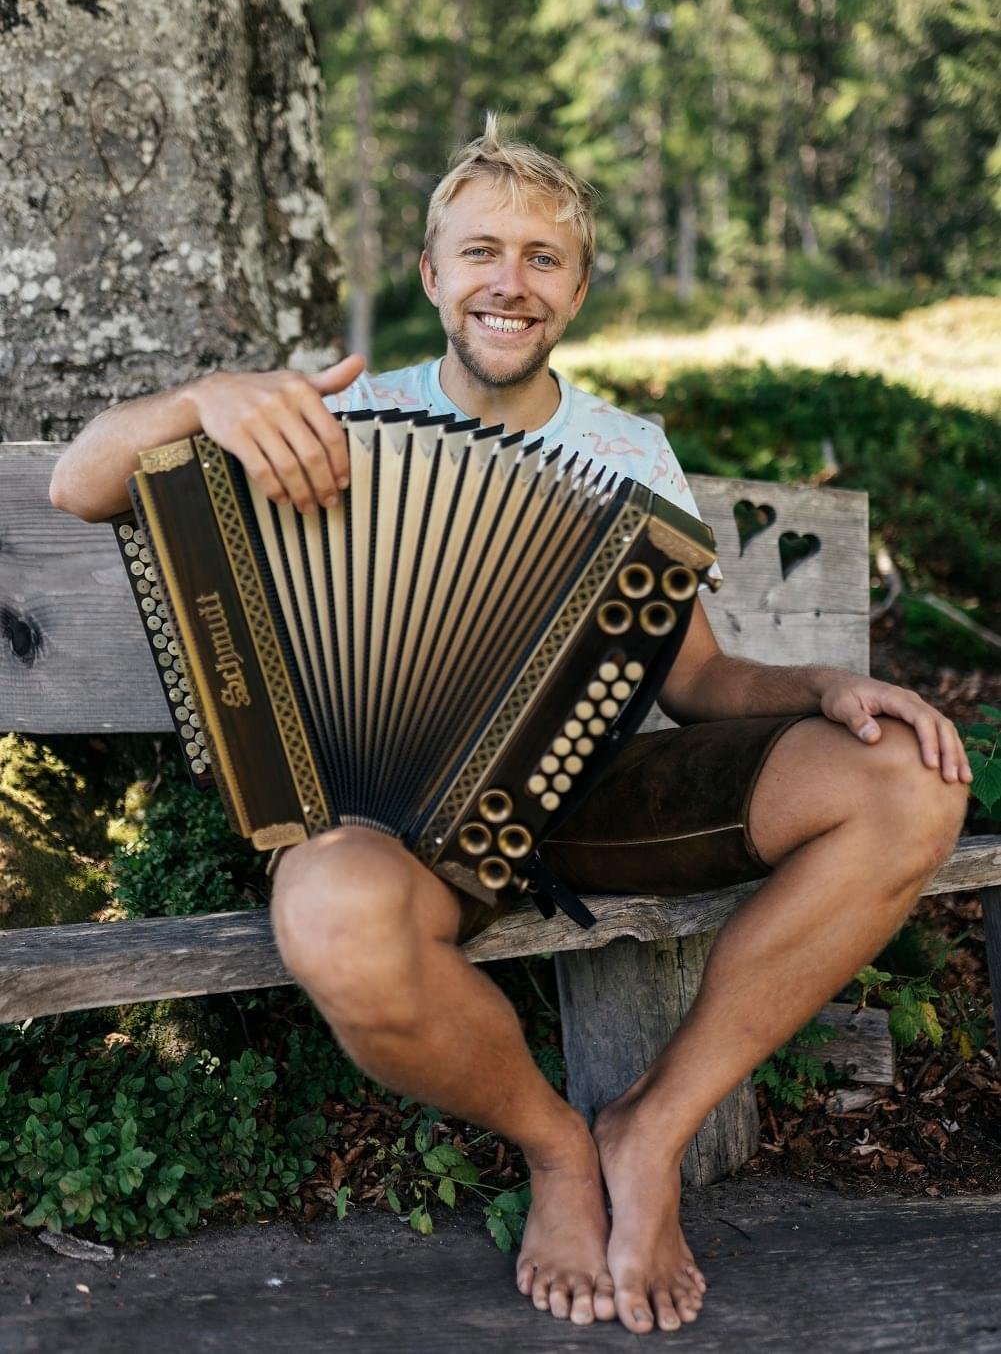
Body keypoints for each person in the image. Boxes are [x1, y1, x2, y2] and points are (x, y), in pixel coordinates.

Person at [50, 119, 971, 1337]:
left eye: (544, 259)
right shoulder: (327, 420)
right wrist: (202, 399)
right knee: (329, 912)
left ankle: (650, 1126)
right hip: (387, 823)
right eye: (480, 250)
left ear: (576, 292)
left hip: (587, 795)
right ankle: (554, 1147)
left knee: (906, 780)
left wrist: (818, 692)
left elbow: (693, 677)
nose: (510, 281)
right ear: (430, 276)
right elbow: (81, 486)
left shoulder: (623, 451)